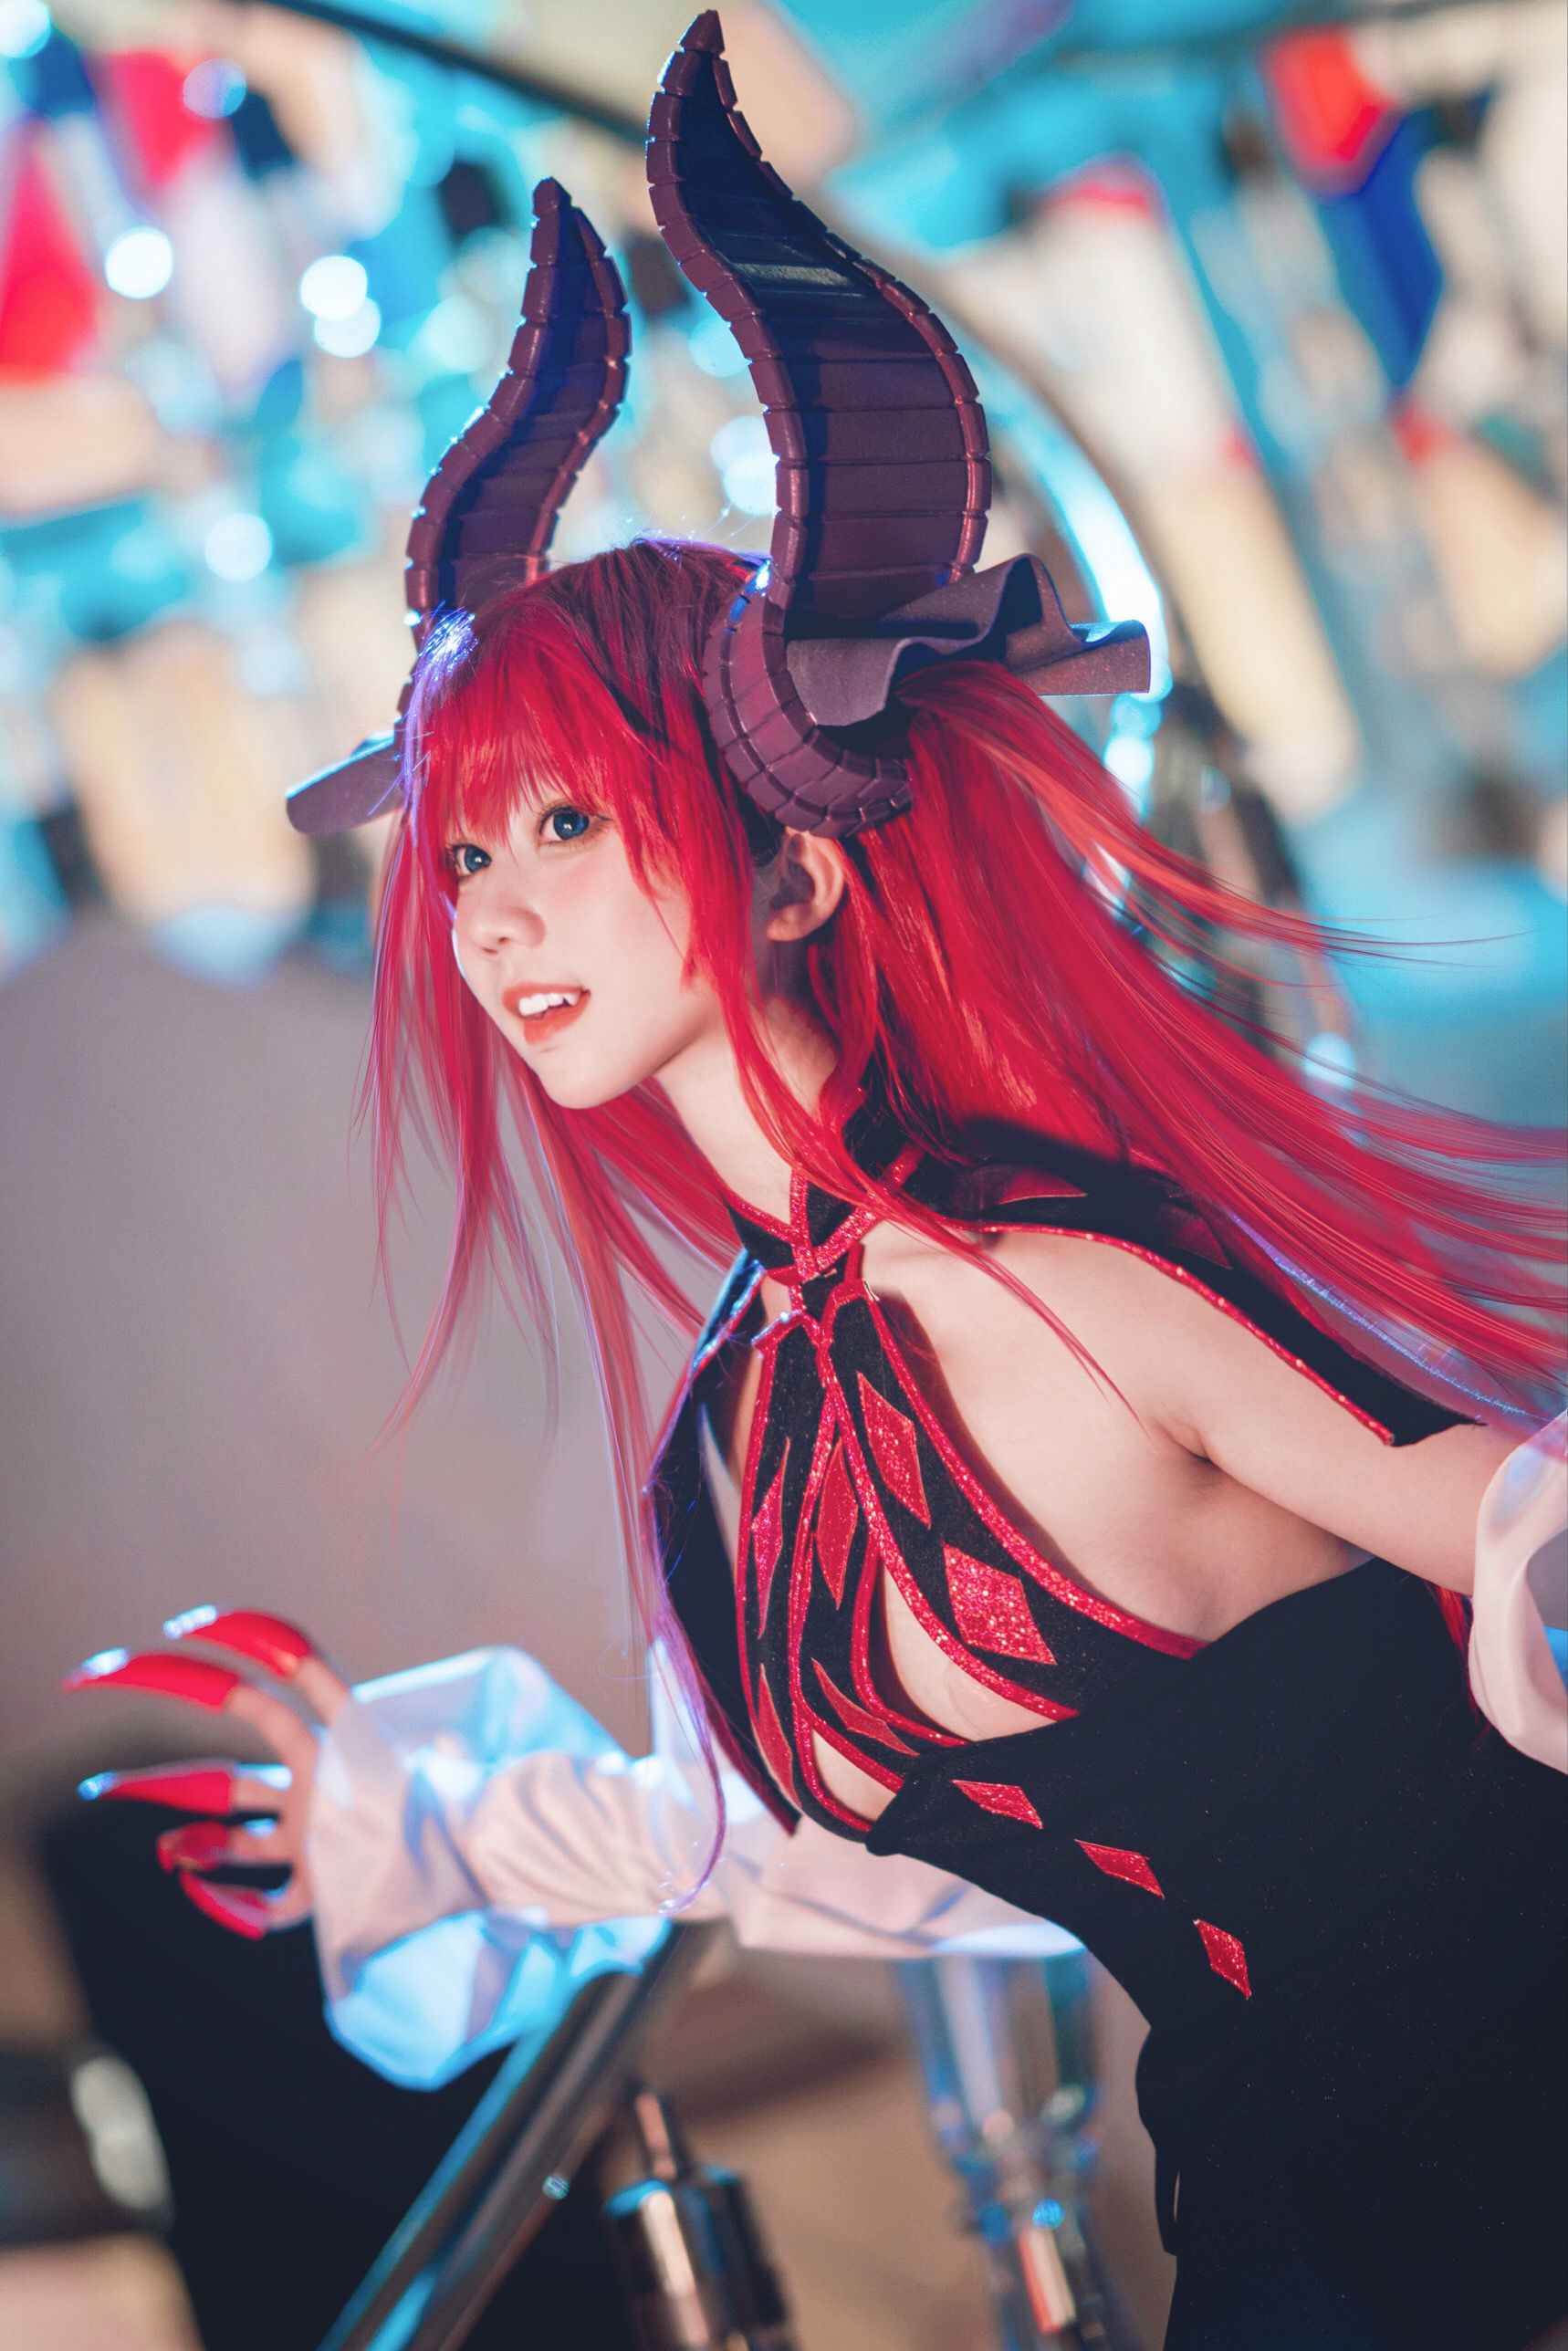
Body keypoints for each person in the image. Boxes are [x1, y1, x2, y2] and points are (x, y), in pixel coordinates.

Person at [65, 21, 1565, 2349]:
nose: (496, 913)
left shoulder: (1056, 1277)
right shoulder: (737, 1429)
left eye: (568, 822)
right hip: (1277, 2220)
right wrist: (417, 1817)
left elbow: (1513, 1531)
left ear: (785, 871)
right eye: (463, 853)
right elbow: (757, 1842)